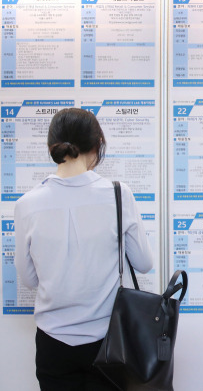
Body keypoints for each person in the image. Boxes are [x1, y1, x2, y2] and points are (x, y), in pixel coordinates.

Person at [14, 108, 154, 391]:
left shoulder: (27, 204)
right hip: (109, 341)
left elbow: (29, 280)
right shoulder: (119, 194)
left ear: (52, 146)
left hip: (53, 342)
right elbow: (144, 263)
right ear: (97, 144)